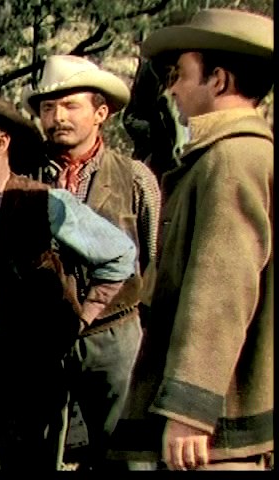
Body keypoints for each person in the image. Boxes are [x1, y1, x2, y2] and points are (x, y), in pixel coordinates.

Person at [0, 87, 138, 470]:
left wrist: (84, 316)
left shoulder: (43, 202)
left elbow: (120, 254)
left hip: (14, 373)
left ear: (1, 143)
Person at [108, 8, 273, 471]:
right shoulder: (223, 156)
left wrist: (190, 408)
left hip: (217, 429)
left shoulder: (233, 159)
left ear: (218, 80)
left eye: (180, 74)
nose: (172, 89)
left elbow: (222, 290)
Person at [21, 54, 161, 470]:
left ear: (101, 113)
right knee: (34, 447)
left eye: (70, 105)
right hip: (39, 334)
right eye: (48, 108)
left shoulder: (136, 178)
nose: (57, 117)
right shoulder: (20, 175)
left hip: (115, 333)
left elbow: (153, 260)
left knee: (125, 450)